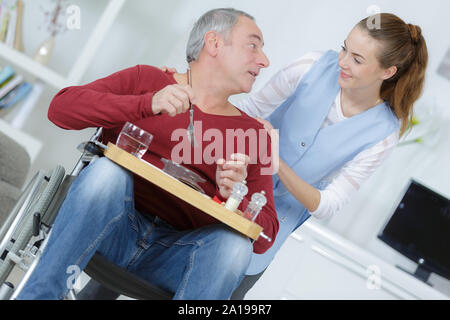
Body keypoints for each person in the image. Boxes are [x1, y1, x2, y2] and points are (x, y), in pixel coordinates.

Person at [78, 12, 429, 300]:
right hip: (212, 198)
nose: (342, 62)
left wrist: (275, 161)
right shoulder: (309, 67)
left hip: (263, 236)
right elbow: (243, 109)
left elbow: (327, 205)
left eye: (356, 59)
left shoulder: (383, 133)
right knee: (112, 280)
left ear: (388, 72)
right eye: (344, 49)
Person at [17, 8, 278, 300]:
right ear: (214, 43)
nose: (264, 60)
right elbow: (61, 110)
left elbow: (265, 237)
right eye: (253, 45)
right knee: (106, 174)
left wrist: (237, 196)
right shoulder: (147, 80)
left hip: (175, 259)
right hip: (107, 230)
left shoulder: (254, 135)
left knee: (234, 249)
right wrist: (146, 103)